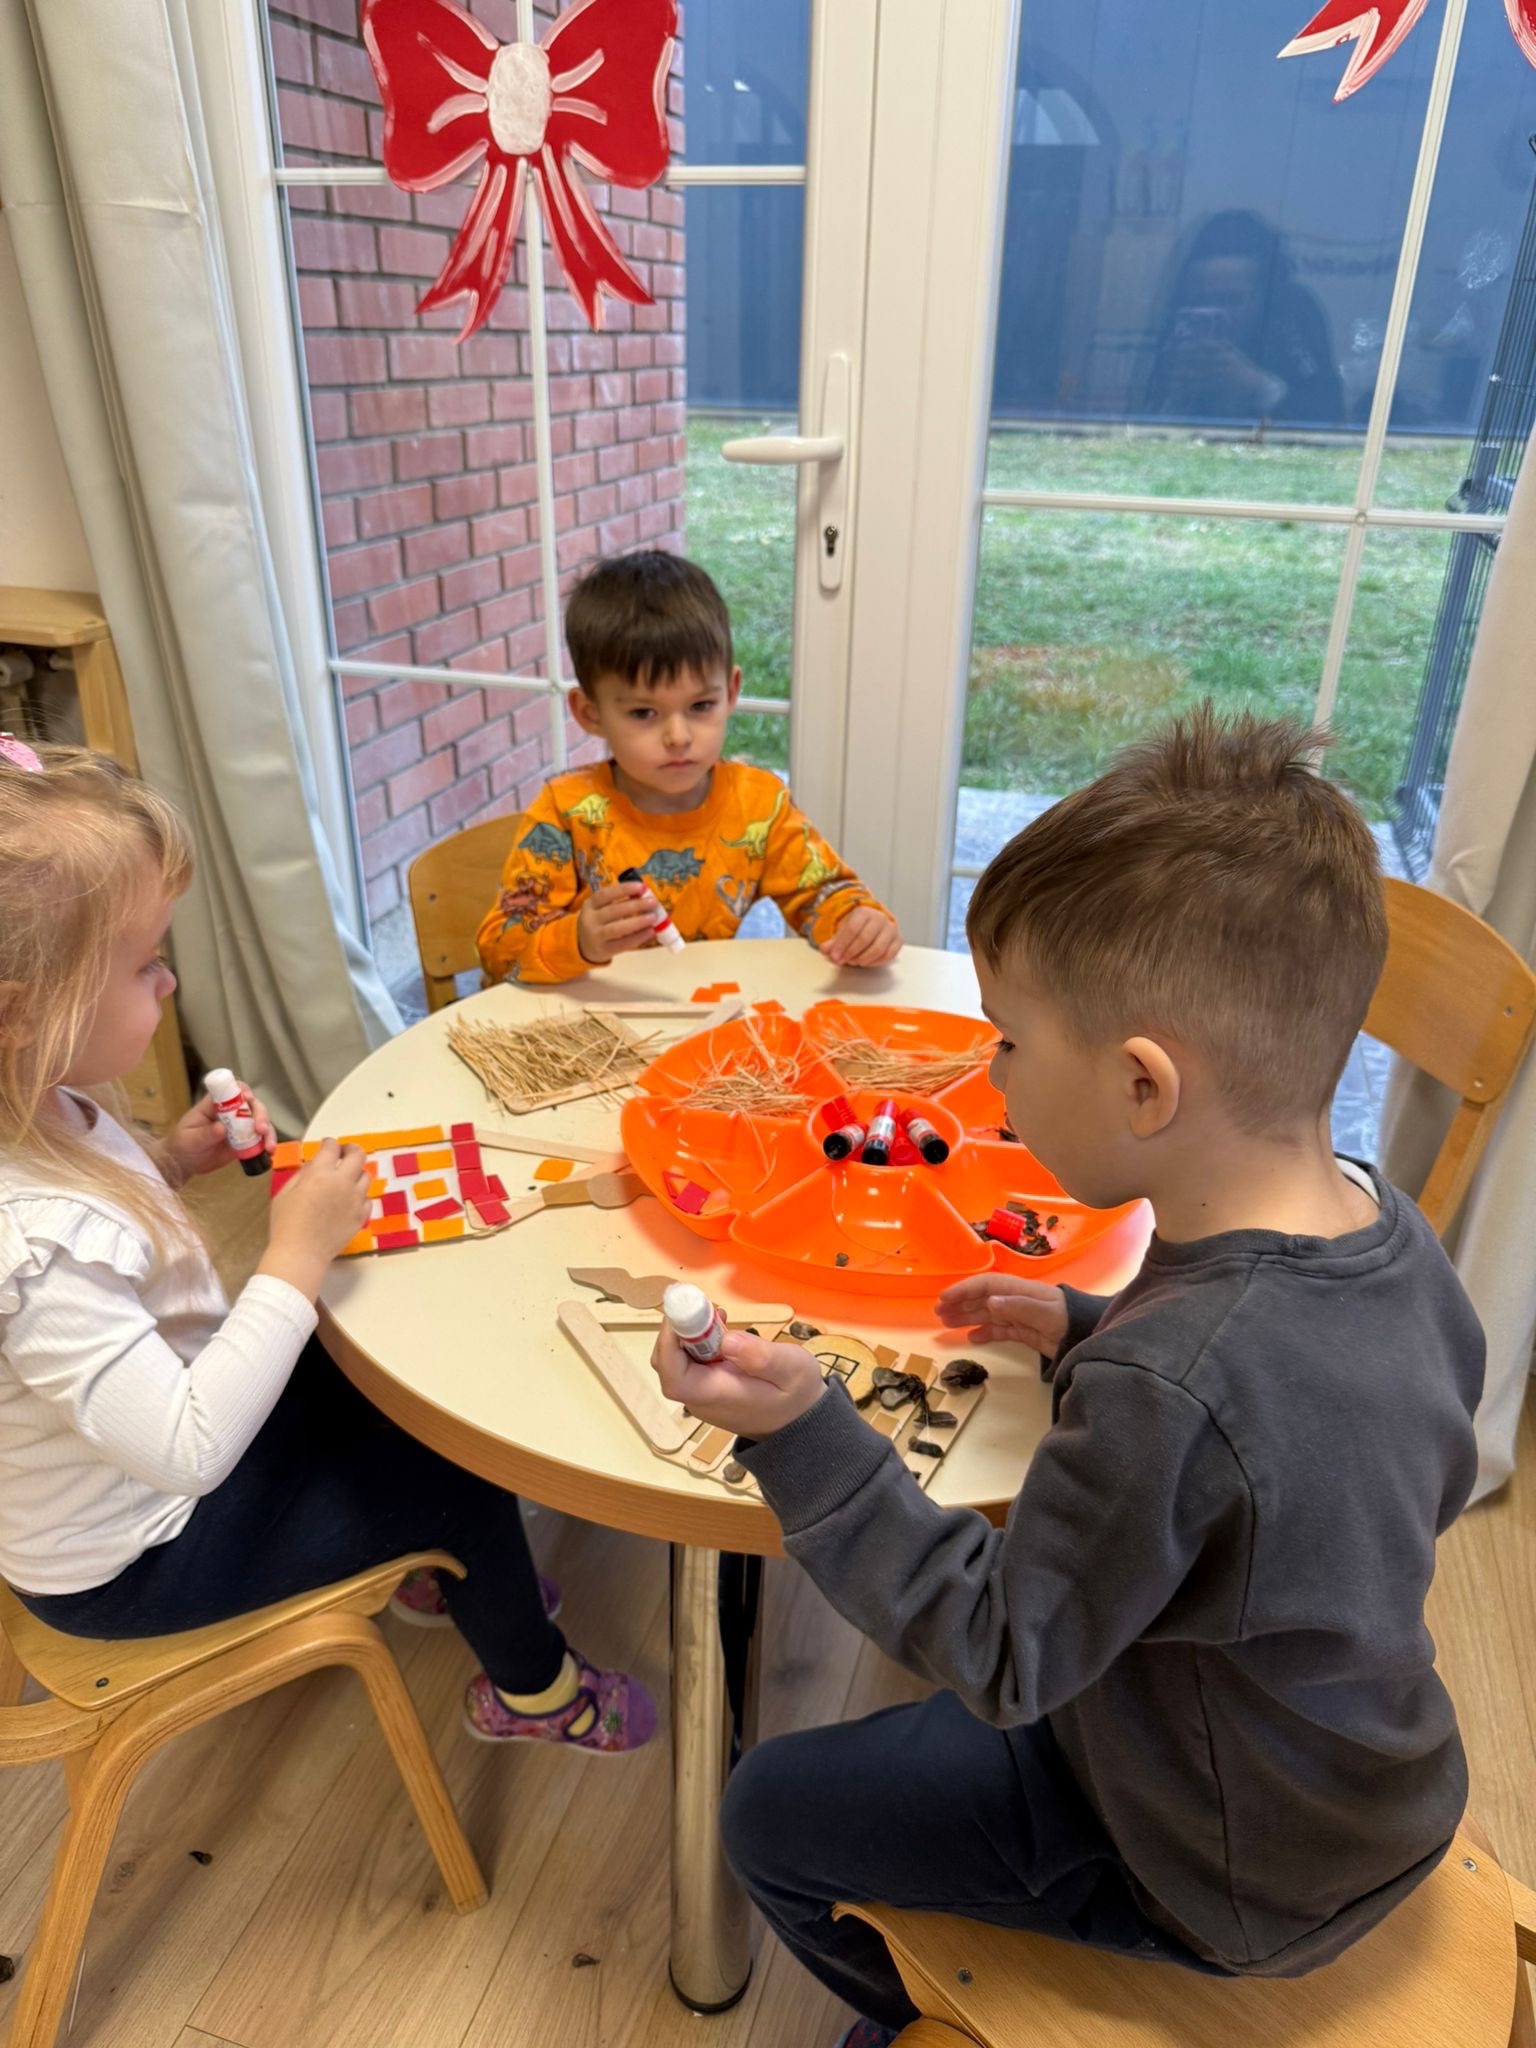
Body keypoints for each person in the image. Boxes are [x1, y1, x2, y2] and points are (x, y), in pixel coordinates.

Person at [650, 707, 1483, 2047]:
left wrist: (808, 1427)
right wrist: (1089, 1323)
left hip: (1220, 1871)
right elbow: (1332, 1456)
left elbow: (1003, 1654)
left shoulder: (1172, 1382)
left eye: (1011, 1042)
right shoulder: (1391, 1234)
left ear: (1145, 1086)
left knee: (765, 1814)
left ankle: (928, 2020)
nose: (994, 1075)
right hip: (1372, 1786)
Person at [0, 744, 653, 1753]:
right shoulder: (33, 1249)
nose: (170, 981)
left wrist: (172, 1160)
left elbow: (115, 1243)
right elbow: (187, 1447)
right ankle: (535, 1692)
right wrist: (293, 1256)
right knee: (460, 1470)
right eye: (142, 964)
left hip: (163, 1450)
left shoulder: (45, 1106)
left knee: (391, 1363)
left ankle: (440, 1564)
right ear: (23, 1014)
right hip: (142, 1556)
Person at [476, 551, 902, 984]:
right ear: (590, 713)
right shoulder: (566, 810)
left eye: (700, 706)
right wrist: (579, 940)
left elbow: (823, 893)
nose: (678, 736)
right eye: (643, 713)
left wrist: (857, 925)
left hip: (701, 1011)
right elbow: (498, 952)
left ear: (730, 692)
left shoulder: (759, 804)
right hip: (585, 1018)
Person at [1144, 210, 1343, 430]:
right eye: (1201, 300)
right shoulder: (1175, 335)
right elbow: (1141, 423)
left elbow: (1329, 417)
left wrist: (1257, 385)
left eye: (1230, 300)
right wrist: (1176, 395)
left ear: (1266, 297)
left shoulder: (1293, 315)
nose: (1216, 312)